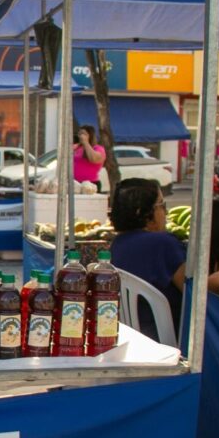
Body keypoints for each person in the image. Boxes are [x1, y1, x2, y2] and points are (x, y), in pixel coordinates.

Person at [110, 178, 186, 342]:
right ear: (142, 212)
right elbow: (194, 293)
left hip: (134, 337)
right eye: (161, 206)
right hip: (170, 338)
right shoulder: (163, 244)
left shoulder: (118, 244)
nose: (165, 212)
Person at [72, 124, 105, 190]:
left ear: (90, 136)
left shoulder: (98, 148)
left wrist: (85, 143)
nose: (81, 136)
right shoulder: (77, 148)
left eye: (83, 134)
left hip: (91, 183)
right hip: (75, 183)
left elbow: (94, 159)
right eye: (79, 134)